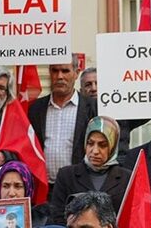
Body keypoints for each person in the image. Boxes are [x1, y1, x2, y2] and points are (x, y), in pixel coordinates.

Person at [27, 56, 98, 187]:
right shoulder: (35, 109)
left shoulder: (93, 107)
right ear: (49, 72)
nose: (59, 76)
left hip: (80, 187)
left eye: (65, 71)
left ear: (76, 73)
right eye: (55, 70)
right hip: (44, 188)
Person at [50, 116, 131, 225]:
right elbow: (57, 216)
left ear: (112, 146)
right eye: (90, 143)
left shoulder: (127, 178)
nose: (95, 151)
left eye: (102, 145)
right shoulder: (66, 176)